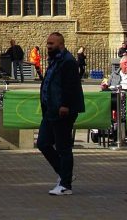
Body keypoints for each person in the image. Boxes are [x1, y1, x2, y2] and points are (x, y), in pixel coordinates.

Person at [37, 32, 84, 196]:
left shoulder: (68, 61)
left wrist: (65, 105)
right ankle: (65, 174)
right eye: (48, 43)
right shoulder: (55, 60)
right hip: (50, 110)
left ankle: (65, 185)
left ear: (60, 44)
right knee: (43, 143)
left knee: (63, 147)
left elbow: (70, 86)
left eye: (51, 43)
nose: (48, 46)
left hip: (62, 111)